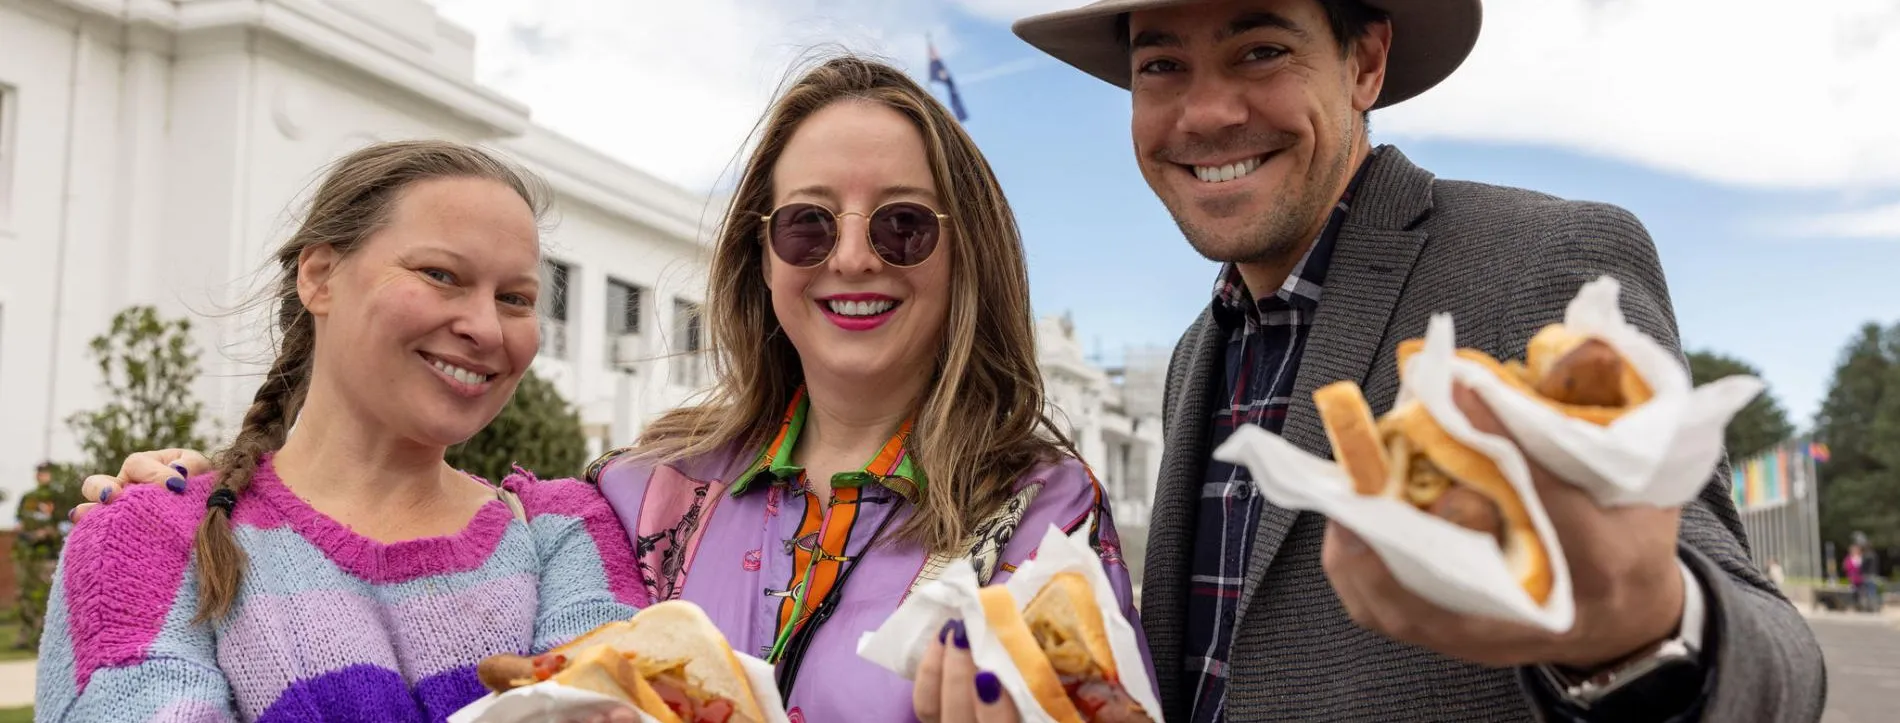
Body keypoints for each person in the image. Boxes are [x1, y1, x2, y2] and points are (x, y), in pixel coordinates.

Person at [68, 56, 1146, 723]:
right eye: (811, 222)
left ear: (966, 257)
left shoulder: (1038, 509)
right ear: (763, 254)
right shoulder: (642, 496)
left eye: (903, 223)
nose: (852, 257)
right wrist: (194, 497)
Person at [1010, 0, 1825, 721]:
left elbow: (1776, 671)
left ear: (1365, 64)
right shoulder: (1199, 351)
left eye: (1260, 50)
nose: (1207, 111)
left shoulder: (1544, 260)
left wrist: (1635, 632)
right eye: (1160, 65)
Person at [37, 140, 642, 723]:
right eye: (441, 274)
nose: (486, 327)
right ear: (320, 276)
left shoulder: (566, 531)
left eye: (514, 297)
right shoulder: (146, 536)